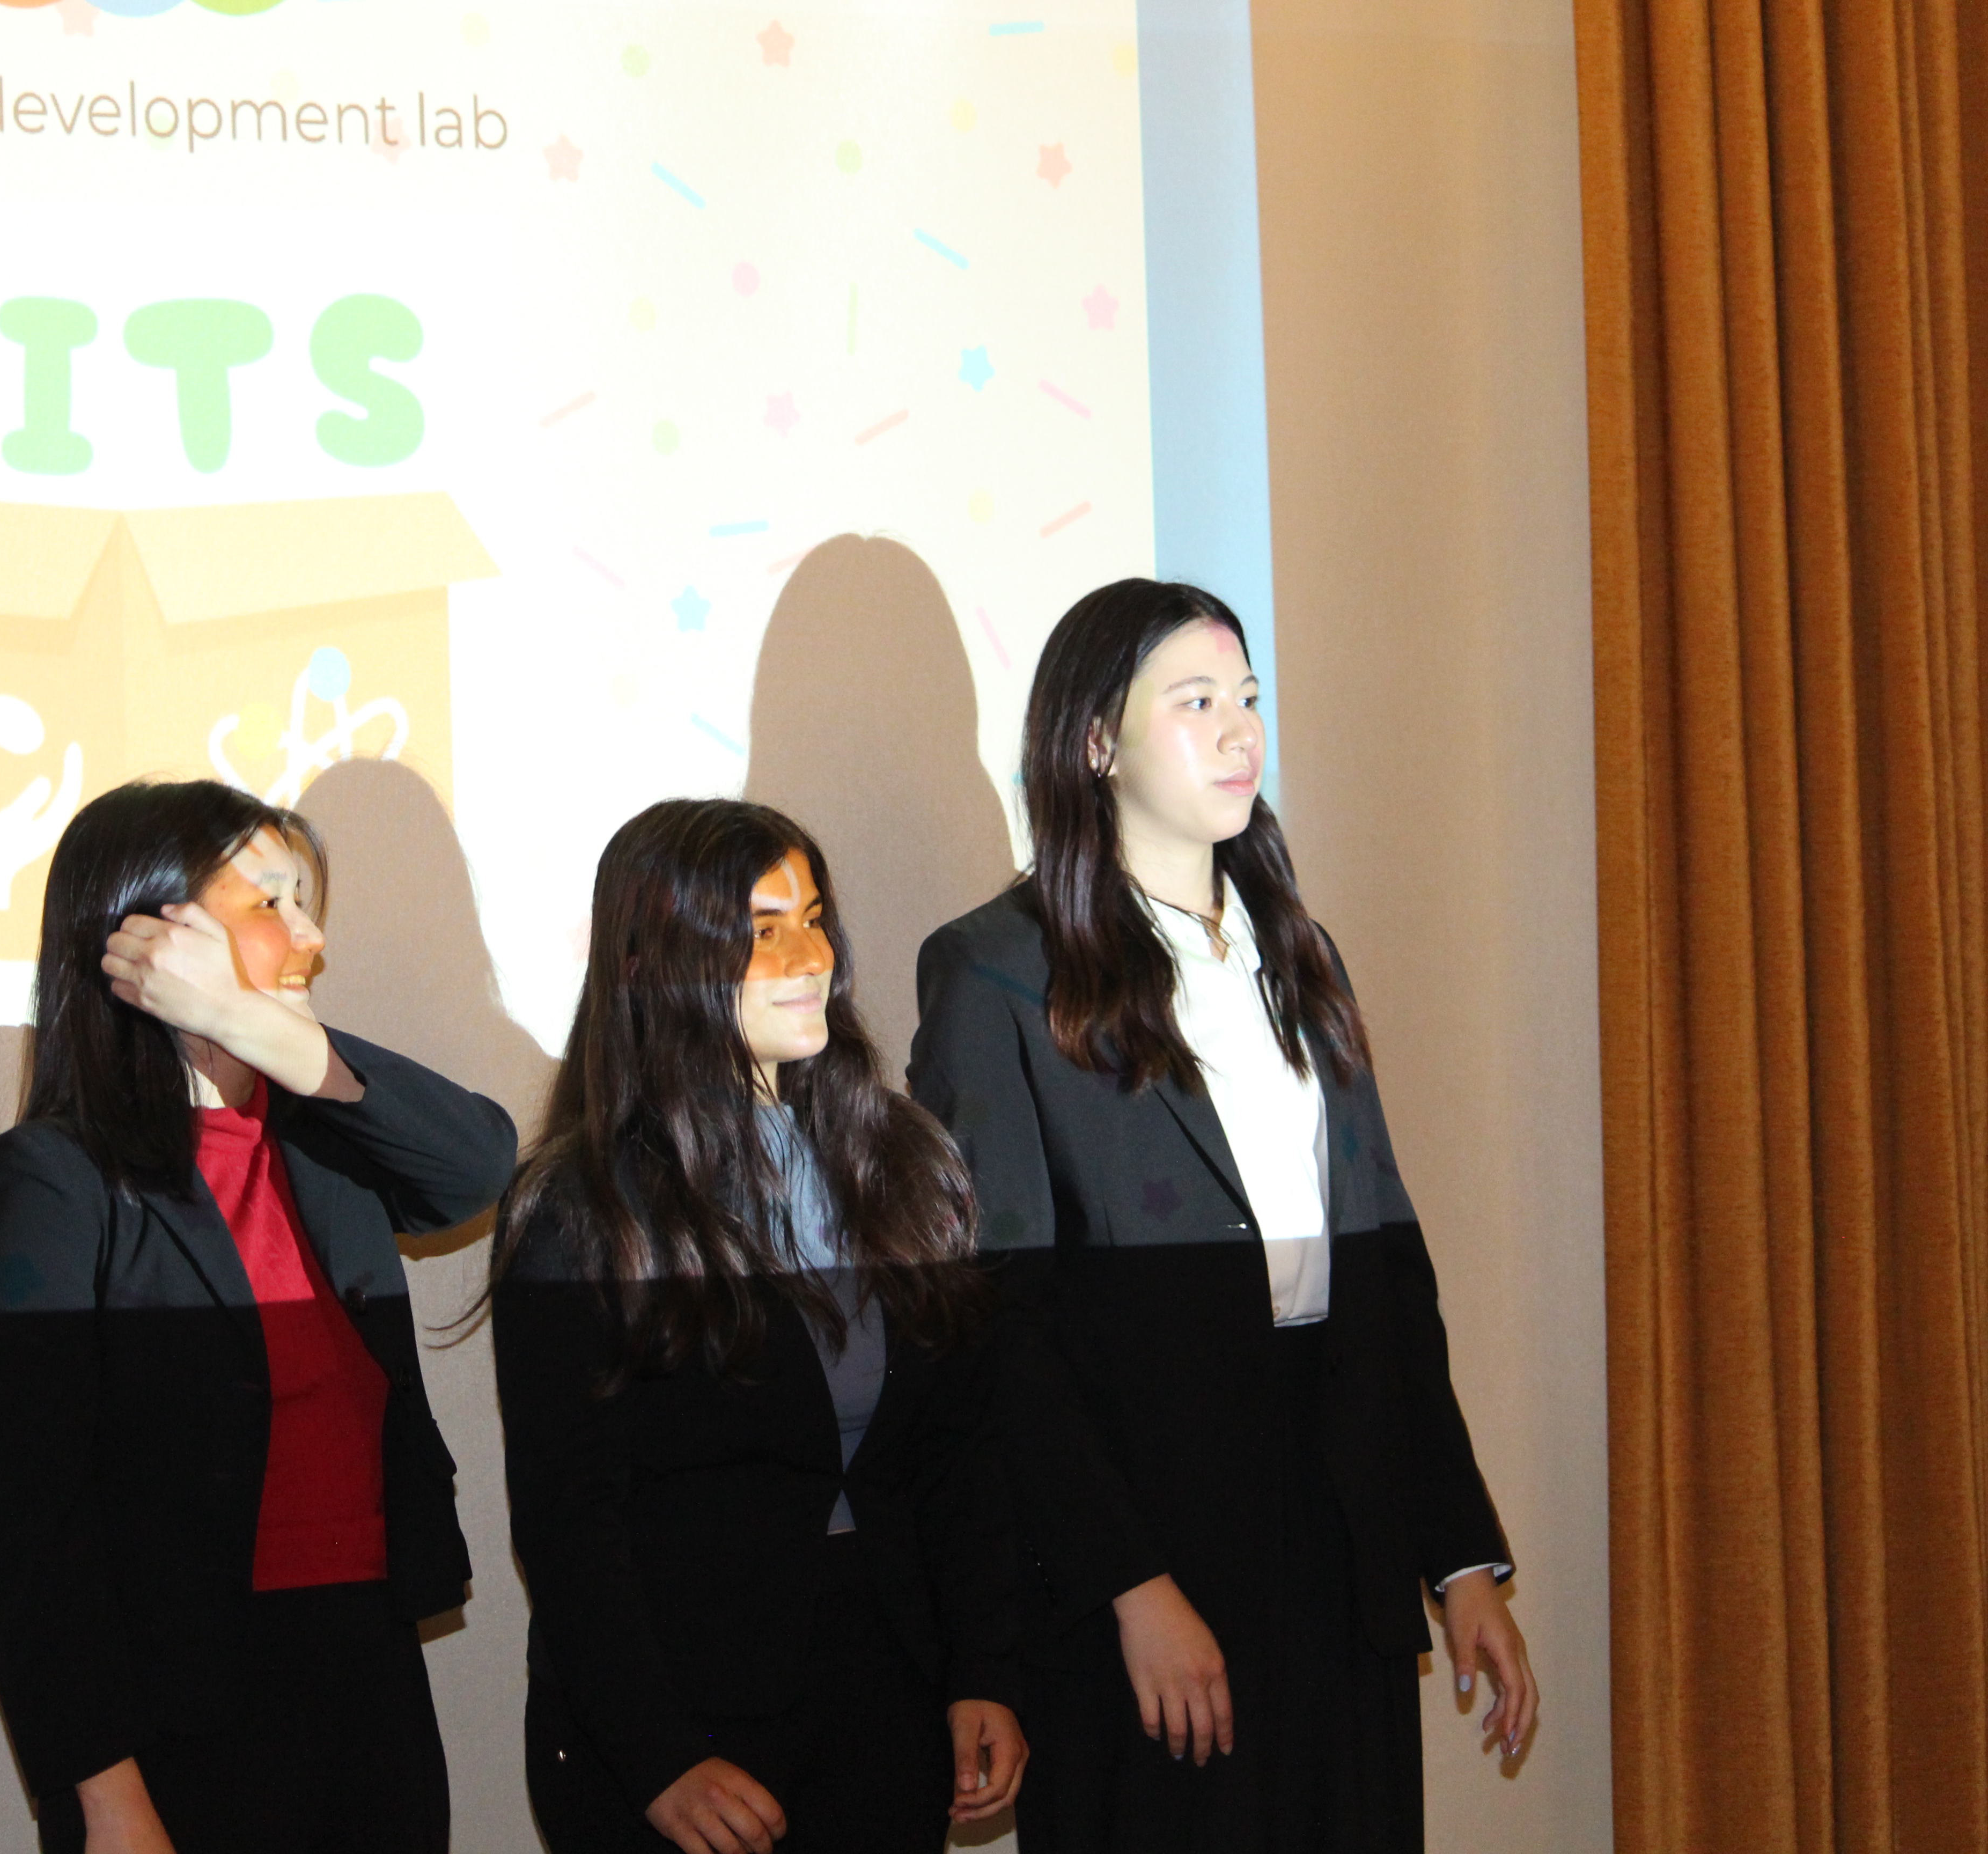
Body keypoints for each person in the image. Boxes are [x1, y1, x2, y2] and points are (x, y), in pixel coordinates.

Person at [908, 578, 1540, 1853]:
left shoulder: (1300, 954)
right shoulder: (999, 970)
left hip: (1337, 1534)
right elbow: (997, 1327)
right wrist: (1131, 1585)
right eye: (1194, 702)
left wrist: (1459, 1556)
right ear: (1096, 741)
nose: (1240, 730)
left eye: (1246, 698)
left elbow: (1388, 1270)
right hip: (1146, 1551)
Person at [0, 779, 516, 1854]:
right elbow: (37, 1528)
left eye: (307, 903)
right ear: (150, 937)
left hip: (366, 1670)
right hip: (183, 1711)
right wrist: (105, 1795)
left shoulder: (327, 1139)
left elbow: (479, 1167)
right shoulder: (55, 1178)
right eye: (269, 903)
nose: (310, 937)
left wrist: (261, 1029)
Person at [494, 798, 1029, 1854]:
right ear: (648, 966)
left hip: (883, 1701)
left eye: (813, 919)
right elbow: (569, 1522)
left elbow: (957, 1451)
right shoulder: (581, 1208)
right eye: (761, 930)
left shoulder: (900, 1162)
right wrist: (658, 1759)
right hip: (678, 1735)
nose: (808, 958)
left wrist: (986, 1670)